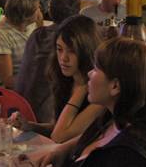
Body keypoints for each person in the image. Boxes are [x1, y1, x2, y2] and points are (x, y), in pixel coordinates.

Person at [34, 37, 146, 167]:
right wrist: (63, 150)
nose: (89, 74)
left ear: (115, 86)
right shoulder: (113, 117)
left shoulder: (129, 158)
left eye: (96, 69)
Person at [11, 15, 105, 143]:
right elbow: (58, 126)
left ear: (86, 51)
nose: (63, 58)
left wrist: (82, 88)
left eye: (72, 51)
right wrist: (30, 126)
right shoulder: (65, 79)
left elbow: (59, 136)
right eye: (59, 49)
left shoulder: (99, 92)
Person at [16, 0, 81, 123]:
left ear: (49, 11)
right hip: (46, 117)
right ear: (78, 13)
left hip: (19, 106)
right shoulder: (71, 41)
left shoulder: (37, 34)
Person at [0, 0, 41, 89]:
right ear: (25, 15)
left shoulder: (30, 25)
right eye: (37, 8)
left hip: (34, 80)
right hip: (18, 90)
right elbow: (8, 81)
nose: (39, 11)